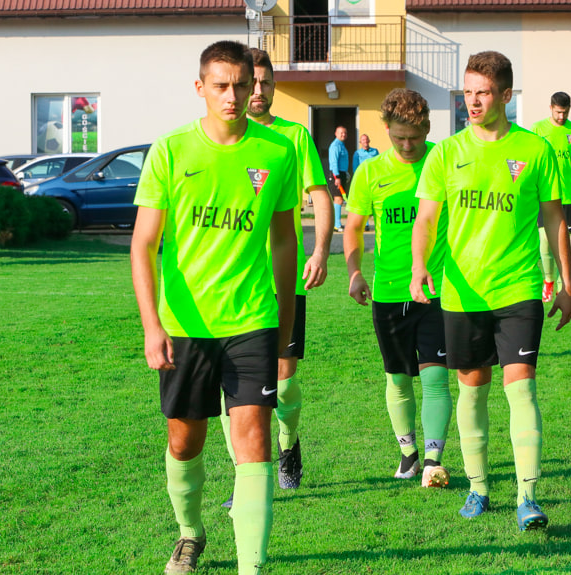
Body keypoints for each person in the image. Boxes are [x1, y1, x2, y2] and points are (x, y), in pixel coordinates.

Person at [130, 40, 298, 575]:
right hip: (185, 324)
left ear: (255, 88)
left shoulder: (277, 152)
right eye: (221, 86)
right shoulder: (171, 151)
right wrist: (152, 325)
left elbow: (284, 242)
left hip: (251, 319)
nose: (232, 95)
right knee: (185, 441)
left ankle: (252, 565)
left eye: (241, 85)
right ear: (200, 88)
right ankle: (190, 533)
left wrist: (285, 328)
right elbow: (143, 245)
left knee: (253, 442)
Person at [411, 51, 571, 530]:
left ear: (506, 94)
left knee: (521, 387)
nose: (473, 100)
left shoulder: (537, 150)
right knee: (473, 391)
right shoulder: (445, 153)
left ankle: (528, 497)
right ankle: (479, 488)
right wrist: (420, 265)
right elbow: (427, 218)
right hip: (462, 293)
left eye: (483, 92)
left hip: (519, 287)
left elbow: (554, 220)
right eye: (468, 91)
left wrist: (566, 282)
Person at [217, 47, 333, 504]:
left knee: (283, 382)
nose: (258, 92)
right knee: (234, 389)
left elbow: (319, 195)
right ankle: (244, 477)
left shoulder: (293, 139)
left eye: (266, 83)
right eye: (253, 83)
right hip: (234, 286)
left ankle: (288, 444)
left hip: (281, 281)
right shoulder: (222, 140)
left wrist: (321, 249)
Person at [344, 88, 453, 488]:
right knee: (398, 379)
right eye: (399, 137)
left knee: (436, 377)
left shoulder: (443, 160)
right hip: (389, 293)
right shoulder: (370, 173)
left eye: (416, 136)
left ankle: (432, 459)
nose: (408, 145)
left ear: (428, 127)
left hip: (438, 290)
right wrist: (355, 272)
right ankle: (407, 453)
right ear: (385, 129)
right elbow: (353, 227)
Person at [531, 92, 571, 302]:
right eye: (558, 112)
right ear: (551, 108)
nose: (562, 117)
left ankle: (560, 284)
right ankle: (548, 279)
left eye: (565, 113)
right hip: (544, 196)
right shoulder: (538, 129)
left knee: (563, 243)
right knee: (545, 240)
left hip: (567, 197)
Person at [328, 125, 350, 232]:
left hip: (341, 174)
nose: (343, 134)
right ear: (336, 134)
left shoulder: (342, 145)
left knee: (339, 200)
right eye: (341, 132)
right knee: (338, 199)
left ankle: (337, 223)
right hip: (336, 175)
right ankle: (336, 224)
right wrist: (336, 177)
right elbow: (334, 162)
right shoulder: (335, 145)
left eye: (345, 133)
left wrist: (345, 173)